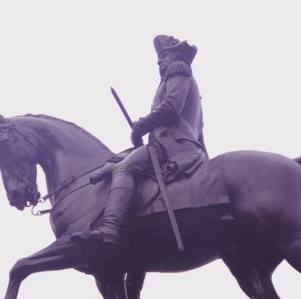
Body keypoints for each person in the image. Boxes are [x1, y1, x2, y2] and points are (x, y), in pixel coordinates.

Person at [72, 34, 206, 248]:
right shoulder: (188, 86)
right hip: (179, 145)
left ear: (174, 55)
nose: (159, 61)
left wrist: (141, 125)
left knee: (125, 168)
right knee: (122, 157)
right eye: (158, 58)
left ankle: (110, 226)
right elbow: (199, 133)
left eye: (163, 55)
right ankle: (102, 172)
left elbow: (170, 108)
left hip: (171, 145)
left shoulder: (178, 70)